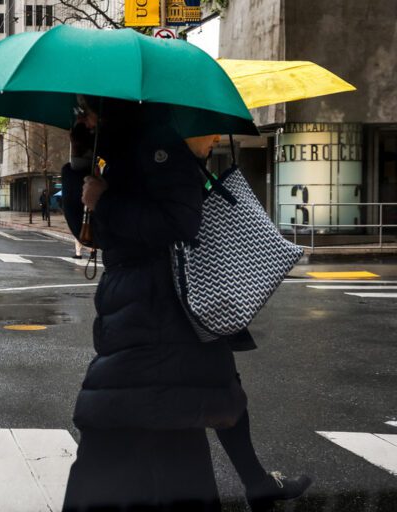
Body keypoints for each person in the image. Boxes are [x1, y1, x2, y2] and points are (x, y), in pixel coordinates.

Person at [60, 95, 310, 512]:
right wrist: (79, 164)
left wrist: (107, 201)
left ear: (110, 107)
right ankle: (257, 483)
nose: (80, 119)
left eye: (84, 109)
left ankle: (257, 482)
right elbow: (88, 231)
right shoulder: (118, 154)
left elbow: (178, 223)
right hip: (138, 314)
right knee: (169, 431)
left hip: (158, 316)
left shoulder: (157, 148)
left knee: (123, 429)